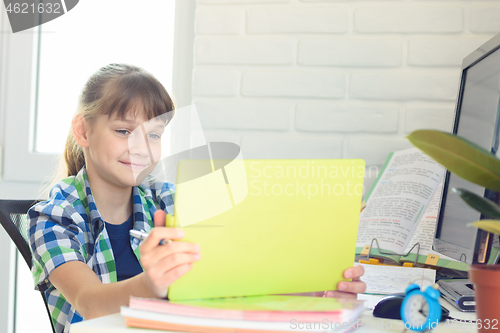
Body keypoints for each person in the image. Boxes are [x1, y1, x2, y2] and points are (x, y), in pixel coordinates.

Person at [28, 63, 366, 333]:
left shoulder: (170, 201)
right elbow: (90, 302)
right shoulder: (53, 216)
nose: (141, 148)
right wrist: (151, 284)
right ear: (83, 131)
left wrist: (315, 290)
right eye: (123, 131)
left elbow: (234, 281)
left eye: (154, 135)